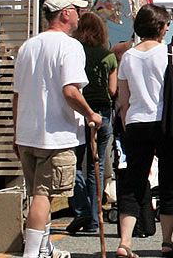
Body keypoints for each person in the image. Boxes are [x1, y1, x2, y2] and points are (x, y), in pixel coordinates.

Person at [13, 0, 103, 258]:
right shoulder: (70, 46)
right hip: (56, 134)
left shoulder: (28, 46)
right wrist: (91, 114)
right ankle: (32, 253)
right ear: (65, 13)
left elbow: (16, 95)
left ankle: (44, 248)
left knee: (40, 195)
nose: (80, 14)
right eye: (77, 9)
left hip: (29, 133)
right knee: (44, 195)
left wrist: (16, 134)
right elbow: (70, 91)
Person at [116, 4, 173, 258]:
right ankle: (167, 241)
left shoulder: (128, 57)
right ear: (158, 27)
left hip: (136, 122)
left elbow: (123, 99)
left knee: (133, 182)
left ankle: (125, 242)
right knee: (169, 180)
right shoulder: (169, 54)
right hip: (165, 122)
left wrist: (126, 125)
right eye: (166, 25)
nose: (168, 29)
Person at [66, 12, 118, 234]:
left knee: (74, 163)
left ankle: (82, 209)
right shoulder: (108, 56)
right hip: (102, 112)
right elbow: (112, 90)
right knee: (95, 167)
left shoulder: (75, 53)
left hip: (78, 111)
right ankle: (96, 219)